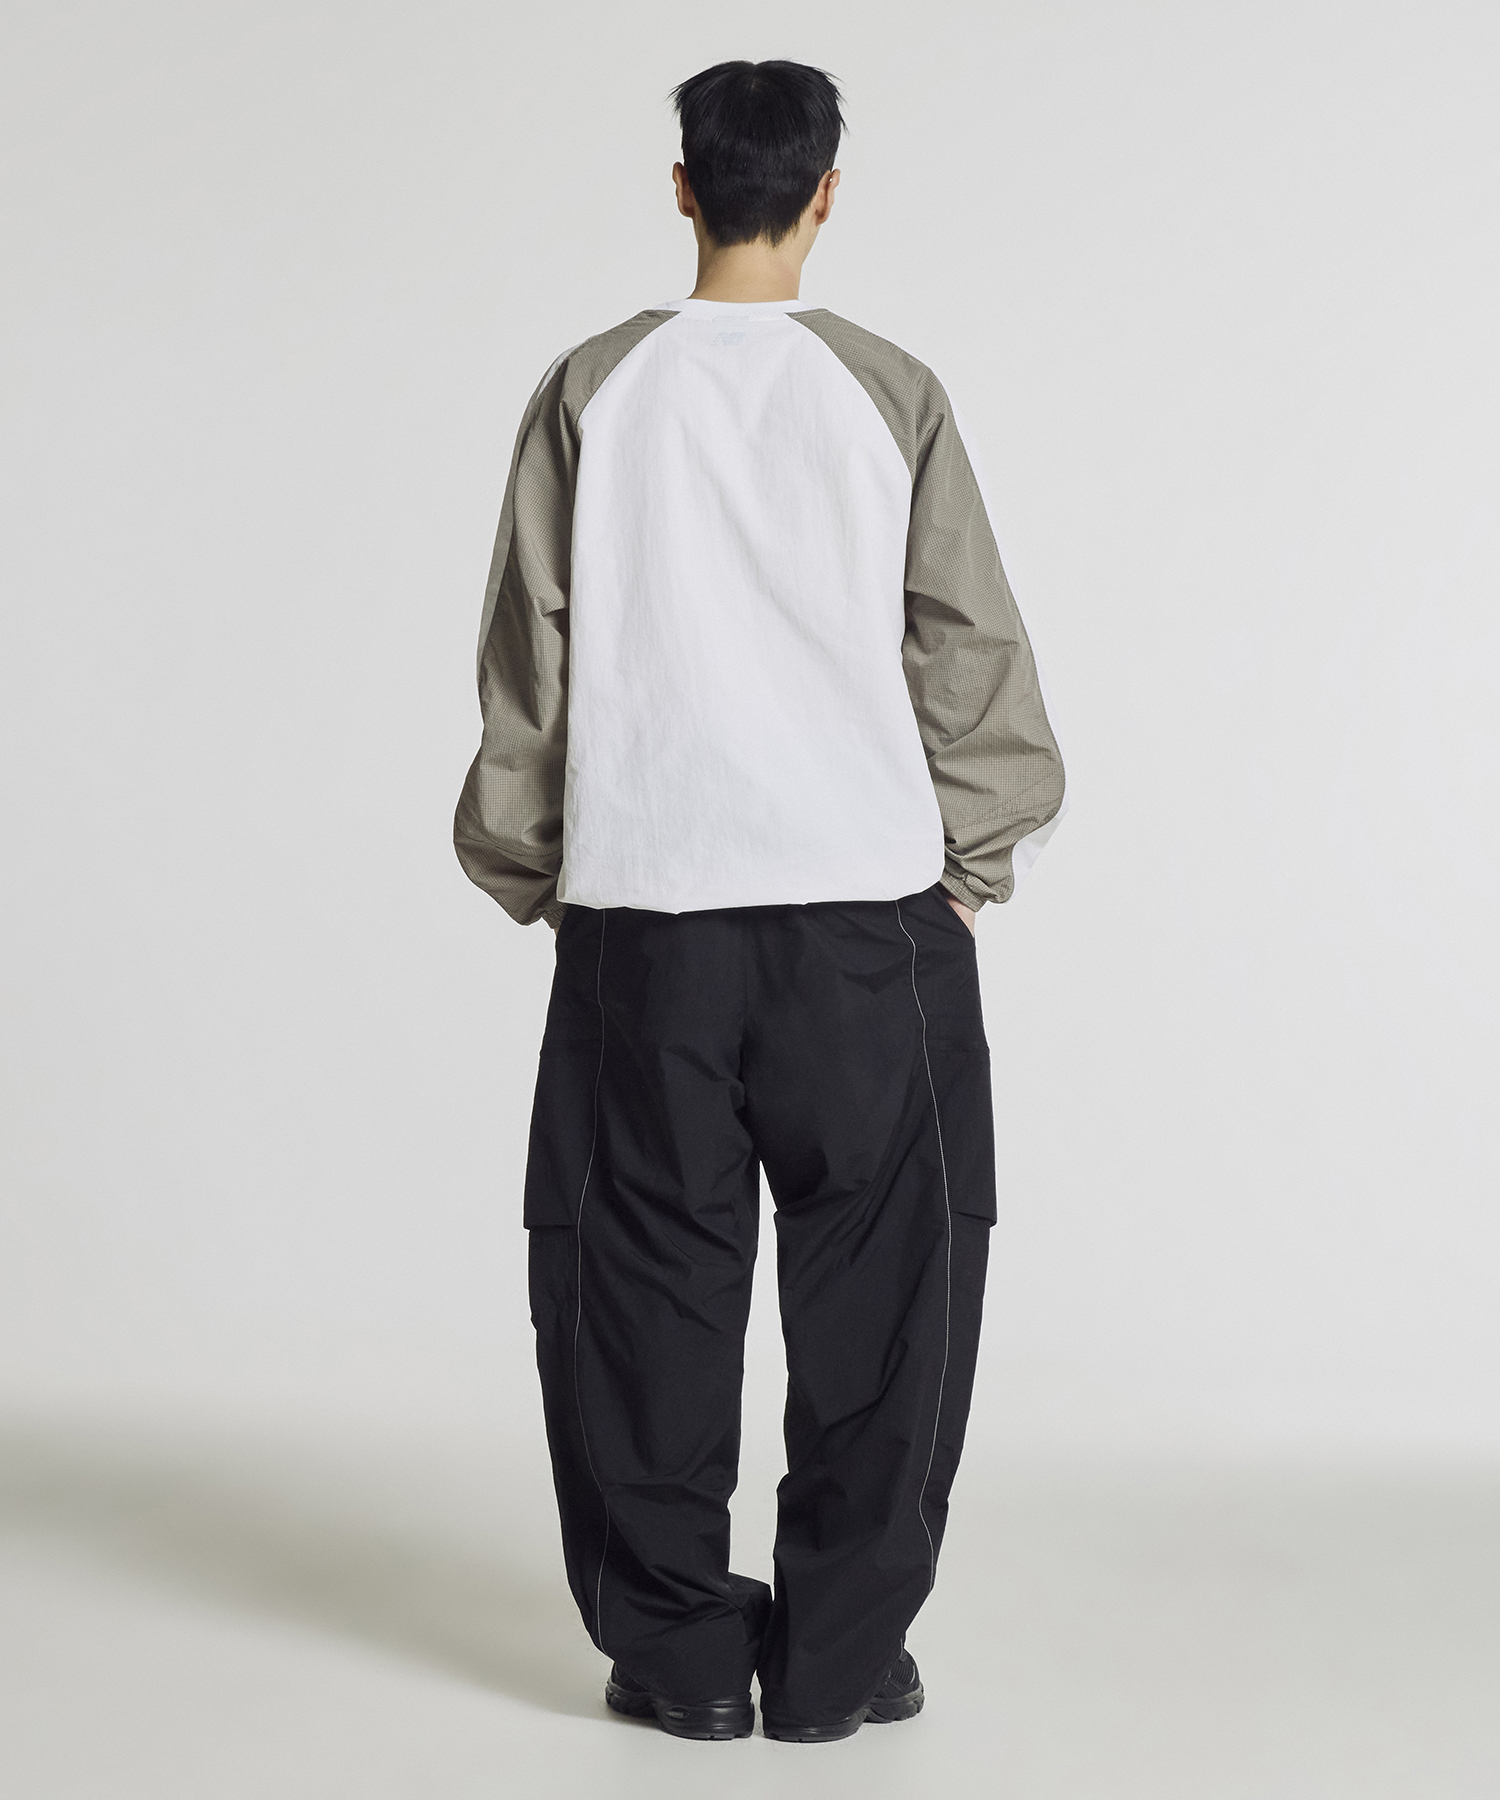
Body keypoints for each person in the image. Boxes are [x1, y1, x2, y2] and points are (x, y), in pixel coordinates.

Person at [454, 58, 1065, 1745]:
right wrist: (970, 863)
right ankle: (840, 1660)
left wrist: (540, 869)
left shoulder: (593, 387)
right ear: (824, 195)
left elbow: (530, 653)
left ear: (683, 188)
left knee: (639, 1284)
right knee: (890, 1296)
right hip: (868, 926)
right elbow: (967, 641)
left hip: (647, 919)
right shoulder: (889, 388)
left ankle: (678, 1656)